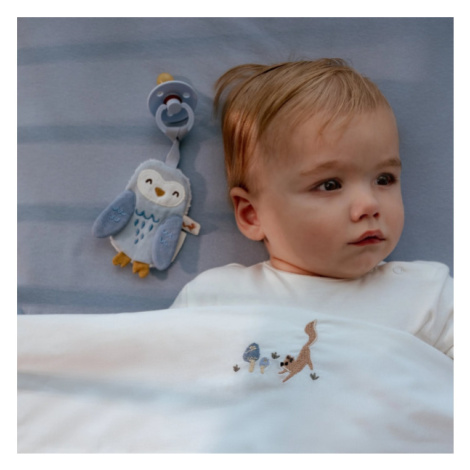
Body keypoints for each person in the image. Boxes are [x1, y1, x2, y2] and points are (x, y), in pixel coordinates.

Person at [171, 59, 453, 360]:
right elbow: (157, 378)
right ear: (252, 214)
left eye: (384, 179)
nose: (369, 205)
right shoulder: (215, 300)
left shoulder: (427, 296)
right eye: (330, 185)